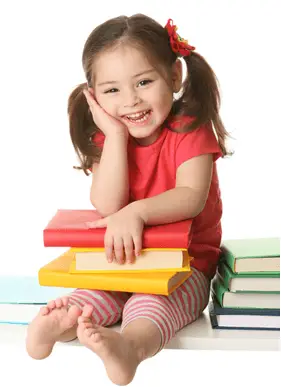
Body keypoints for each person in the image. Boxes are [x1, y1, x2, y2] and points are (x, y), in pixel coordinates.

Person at [26, 14, 231, 386]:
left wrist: (137, 211)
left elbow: (190, 197)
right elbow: (107, 204)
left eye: (144, 82)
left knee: (149, 304)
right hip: (122, 262)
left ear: (174, 77)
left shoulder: (189, 129)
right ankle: (57, 326)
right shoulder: (110, 137)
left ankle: (130, 348)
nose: (131, 100)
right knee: (92, 296)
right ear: (93, 96)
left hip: (186, 267)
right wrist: (116, 135)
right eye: (112, 90)